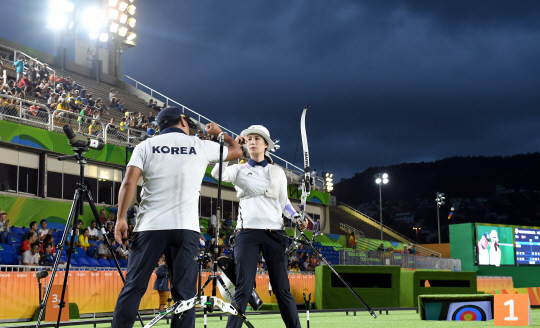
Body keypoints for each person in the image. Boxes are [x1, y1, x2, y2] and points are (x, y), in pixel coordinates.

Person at [111, 107, 242, 328]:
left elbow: (128, 182)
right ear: (182, 121)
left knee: (133, 287)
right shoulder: (200, 146)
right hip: (185, 228)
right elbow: (237, 150)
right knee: (185, 295)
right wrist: (220, 134)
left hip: (149, 226)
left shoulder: (145, 146)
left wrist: (121, 218)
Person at [211, 124, 304, 328]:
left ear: (265, 145)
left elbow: (284, 203)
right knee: (243, 288)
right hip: (247, 233)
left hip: (275, 234)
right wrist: (233, 145)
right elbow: (217, 173)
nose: (252, 142)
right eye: (249, 138)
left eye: (257, 139)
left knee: (282, 289)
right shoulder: (238, 169)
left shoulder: (278, 172)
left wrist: (296, 217)